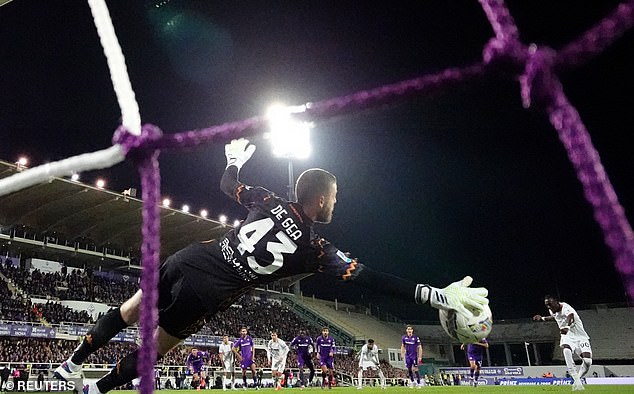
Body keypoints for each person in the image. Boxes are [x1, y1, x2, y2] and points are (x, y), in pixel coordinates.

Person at [52, 138, 489, 394]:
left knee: (130, 310)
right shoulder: (315, 249)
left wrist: (234, 159)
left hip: (190, 259)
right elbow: (372, 279)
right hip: (209, 292)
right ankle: (95, 389)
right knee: (155, 350)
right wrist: (434, 294)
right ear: (318, 199)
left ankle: (73, 362)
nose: (336, 204)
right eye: (334, 198)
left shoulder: (267, 200)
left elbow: (227, 184)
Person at [533, 295, 592, 391]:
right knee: (566, 350)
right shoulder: (552, 310)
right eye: (547, 305)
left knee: (588, 362)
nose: (549, 307)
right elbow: (555, 317)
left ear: (556, 302)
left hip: (580, 336)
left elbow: (571, 317)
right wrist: (543, 318)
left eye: (550, 304)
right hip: (567, 336)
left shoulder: (566, 308)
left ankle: (578, 380)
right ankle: (576, 380)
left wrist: (567, 327)